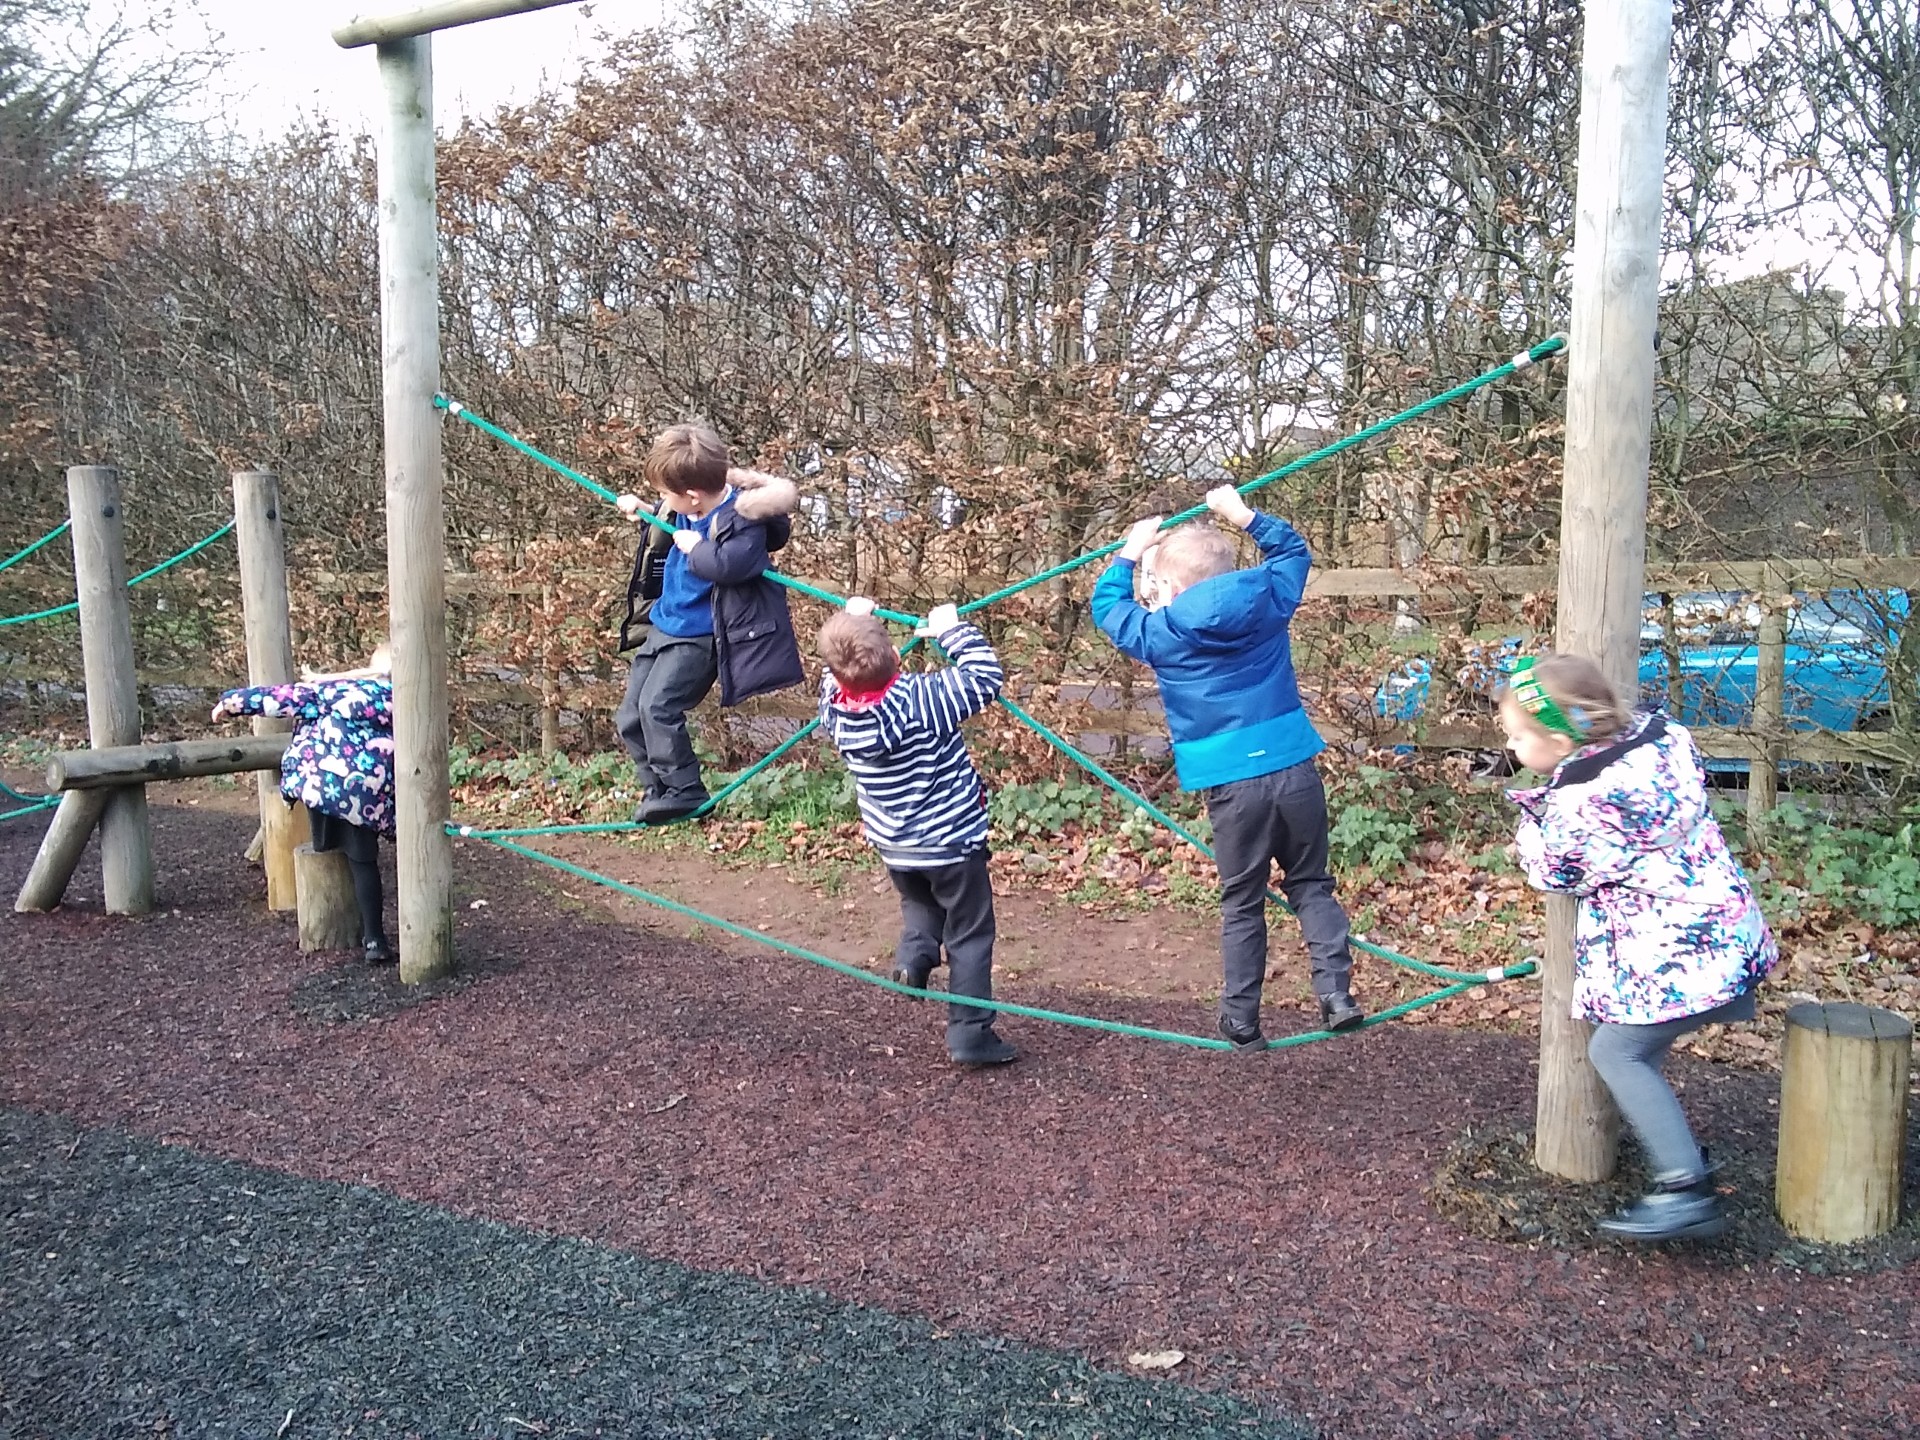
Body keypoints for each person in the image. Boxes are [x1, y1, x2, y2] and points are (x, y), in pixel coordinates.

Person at [1498, 652, 1777, 1242]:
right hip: (1726, 937)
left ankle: (1685, 1188)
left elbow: (1555, 871)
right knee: (1635, 1051)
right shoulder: (1662, 739)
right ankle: (1674, 1145)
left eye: (1519, 737)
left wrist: (1528, 827)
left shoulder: (1583, 800)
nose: (1512, 747)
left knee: (1615, 1054)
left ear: (1559, 739)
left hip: (1681, 960)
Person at [1093, 486, 1365, 1051]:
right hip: (1293, 767)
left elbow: (1108, 610)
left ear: (1170, 589)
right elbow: (1293, 553)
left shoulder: (1163, 633)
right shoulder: (1266, 599)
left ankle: (1242, 1020)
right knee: (1311, 884)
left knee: (1243, 900)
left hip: (1231, 784)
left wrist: (1128, 553)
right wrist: (1246, 517)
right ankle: (1336, 995)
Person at [816, 596, 1017, 1066]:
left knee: (921, 904)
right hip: (951, 842)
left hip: (896, 845)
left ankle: (915, 957)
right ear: (896, 656)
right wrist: (952, 631)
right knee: (969, 934)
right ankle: (970, 1035)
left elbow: (835, 672)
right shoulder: (922, 699)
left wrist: (855, 622)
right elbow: (985, 676)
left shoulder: (833, 709)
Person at [613, 422, 805, 824]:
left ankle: (686, 790)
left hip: (699, 637)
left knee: (658, 708)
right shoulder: (686, 509)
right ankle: (657, 790)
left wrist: (698, 547)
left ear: (693, 495)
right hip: (665, 625)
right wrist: (646, 511)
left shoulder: (743, 519)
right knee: (630, 714)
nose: (663, 500)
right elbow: (671, 524)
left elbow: (730, 565)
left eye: (665, 494)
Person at [213, 645, 397, 965]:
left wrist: (231, 702)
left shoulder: (333, 691)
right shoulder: (404, 698)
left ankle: (341, 913)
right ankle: (374, 939)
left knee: (326, 845)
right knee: (363, 861)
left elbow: (281, 698)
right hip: (372, 796)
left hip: (325, 786)